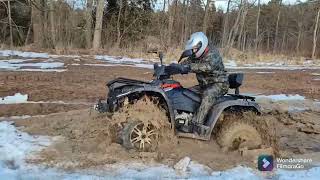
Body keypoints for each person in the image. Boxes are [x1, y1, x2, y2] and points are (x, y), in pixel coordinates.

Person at [172, 32, 229, 134]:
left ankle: (196, 127)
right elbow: (185, 63)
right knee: (186, 93)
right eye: (192, 49)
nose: (193, 51)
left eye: (194, 49)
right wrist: (173, 68)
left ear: (201, 46)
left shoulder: (213, 54)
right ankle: (184, 117)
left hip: (219, 84)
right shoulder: (196, 55)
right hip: (205, 84)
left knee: (208, 95)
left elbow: (207, 67)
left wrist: (189, 68)